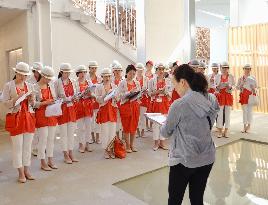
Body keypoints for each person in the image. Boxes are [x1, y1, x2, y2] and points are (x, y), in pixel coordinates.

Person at [160, 64, 219, 205]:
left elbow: (166, 132)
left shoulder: (179, 105)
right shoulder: (210, 98)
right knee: (197, 199)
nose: (174, 89)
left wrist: (164, 123)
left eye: (175, 85)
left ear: (183, 82)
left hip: (184, 159)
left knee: (174, 199)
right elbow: (211, 120)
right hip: (207, 157)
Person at [2, 62, 36, 183]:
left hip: (29, 118)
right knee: (18, 147)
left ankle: (27, 170)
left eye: (25, 75)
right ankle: (20, 172)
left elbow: (34, 104)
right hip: (16, 119)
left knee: (27, 147)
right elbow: (5, 103)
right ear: (16, 72)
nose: (23, 77)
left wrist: (32, 100)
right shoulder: (8, 86)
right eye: (21, 74)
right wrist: (17, 98)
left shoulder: (30, 86)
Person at [33, 66, 58, 171]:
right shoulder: (35, 87)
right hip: (41, 115)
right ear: (42, 76)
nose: (49, 80)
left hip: (51, 114)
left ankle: (50, 160)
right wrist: (45, 103)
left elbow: (54, 97)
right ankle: (42, 162)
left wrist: (54, 102)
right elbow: (33, 104)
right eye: (47, 78)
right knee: (42, 140)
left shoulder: (50, 86)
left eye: (50, 79)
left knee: (51, 139)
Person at [55, 63, 78, 164]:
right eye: (66, 72)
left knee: (71, 133)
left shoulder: (73, 81)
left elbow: (76, 93)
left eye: (69, 72)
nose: (68, 74)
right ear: (61, 72)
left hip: (71, 110)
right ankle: (65, 154)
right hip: (63, 110)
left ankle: (71, 152)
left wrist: (76, 97)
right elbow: (55, 98)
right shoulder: (57, 83)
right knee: (64, 134)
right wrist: (68, 99)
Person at [118, 65, 141, 153]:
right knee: (126, 126)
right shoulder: (122, 83)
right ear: (126, 73)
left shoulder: (137, 83)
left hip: (135, 106)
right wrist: (129, 92)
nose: (132, 75)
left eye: (134, 74)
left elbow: (139, 93)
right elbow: (119, 95)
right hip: (126, 106)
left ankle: (132, 144)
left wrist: (137, 94)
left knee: (134, 126)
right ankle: (127, 145)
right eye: (130, 73)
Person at [148, 63, 171, 151]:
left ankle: (162, 142)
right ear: (156, 70)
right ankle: (156, 143)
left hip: (164, 104)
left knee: (163, 123)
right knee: (156, 124)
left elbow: (170, 93)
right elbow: (150, 93)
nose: (161, 71)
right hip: (155, 104)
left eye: (162, 69)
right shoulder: (152, 81)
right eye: (159, 69)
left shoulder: (168, 81)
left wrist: (165, 92)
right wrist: (157, 92)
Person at [95, 68, 117, 159]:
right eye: (105, 76)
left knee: (112, 131)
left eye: (108, 76)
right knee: (105, 131)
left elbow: (118, 98)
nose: (107, 78)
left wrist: (114, 96)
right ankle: (106, 150)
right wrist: (106, 95)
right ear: (102, 77)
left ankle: (111, 149)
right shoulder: (98, 87)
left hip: (112, 109)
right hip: (104, 110)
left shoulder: (114, 85)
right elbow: (97, 99)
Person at [75, 65, 94, 153]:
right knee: (80, 127)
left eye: (84, 72)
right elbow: (75, 95)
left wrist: (90, 94)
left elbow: (94, 94)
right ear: (77, 74)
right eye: (81, 72)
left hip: (88, 106)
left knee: (88, 126)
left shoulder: (89, 82)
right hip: (79, 106)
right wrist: (82, 94)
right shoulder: (75, 83)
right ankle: (80, 144)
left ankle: (87, 143)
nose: (83, 74)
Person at [215, 62, 235, 138]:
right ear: (221, 68)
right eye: (223, 68)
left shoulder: (231, 76)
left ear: (228, 69)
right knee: (219, 114)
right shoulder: (217, 76)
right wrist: (218, 86)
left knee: (228, 114)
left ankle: (226, 131)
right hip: (220, 96)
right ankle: (220, 130)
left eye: (226, 68)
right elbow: (214, 87)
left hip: (228, 95)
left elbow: (234, 86)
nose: (224, 69)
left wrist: (229, 87)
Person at [27, 62, 43, 157]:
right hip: (32, 107)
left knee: (41, 129)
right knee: (35, 129)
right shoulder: (29, 81)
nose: (39, 74)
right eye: (37, 72)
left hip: (41, 106)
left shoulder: (42, 80)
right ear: (34, 71)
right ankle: (34, 148)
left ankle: (41, 147)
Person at [237, 64, 258, 133]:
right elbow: (237, 87)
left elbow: (257, 87)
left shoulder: (253, 77)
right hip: (243, 96)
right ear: (244, 69)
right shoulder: (241, 78)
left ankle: (249, 126)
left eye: (248, 69)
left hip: (250, 96)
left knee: (250, 111)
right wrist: (241, 85)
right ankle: (244, 126)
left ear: (250, 70)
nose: (247, 70)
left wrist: (253, 88)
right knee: (244, 112)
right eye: (246, 69)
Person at [87, 61, 102, 144]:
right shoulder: (86, 78)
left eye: (95, 68)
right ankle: (92, 137)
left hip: (97, 102)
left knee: (97, 121)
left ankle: (98, 138)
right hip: (89, 103)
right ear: (89, 68)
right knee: (90, 121)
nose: (94, 69)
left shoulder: (99, 78)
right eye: (92, 68)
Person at [110, 60, 124, 139]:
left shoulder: (124, 80)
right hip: (114, 103)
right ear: (113, 71)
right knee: (115, 120)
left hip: (122, 103)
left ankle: (122, 138)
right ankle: (116, 137)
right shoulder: (111, 80)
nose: (118, 72)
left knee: (122, 120)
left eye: (119, 70)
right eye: (116, 70)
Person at [135, 63, 149, 138]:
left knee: (143, 116)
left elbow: (148, 89)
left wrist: (146, 91)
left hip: (144, 99)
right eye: (138, 70)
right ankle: (137, 132)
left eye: (141, 70)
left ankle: (143, 132)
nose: (140, 71)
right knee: (137, 116)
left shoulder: (146, 79)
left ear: (143, 70)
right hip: (136, 100)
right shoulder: (134, 79)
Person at [145, 60, 154, 131]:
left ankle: (150, 125)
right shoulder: (144, 74)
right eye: (148, 65)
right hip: (145, 95)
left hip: (151, 95)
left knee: (151, 110)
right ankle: (146, 125)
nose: (149, 67)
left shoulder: (153, 75)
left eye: (150, 66)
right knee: (146, 110)